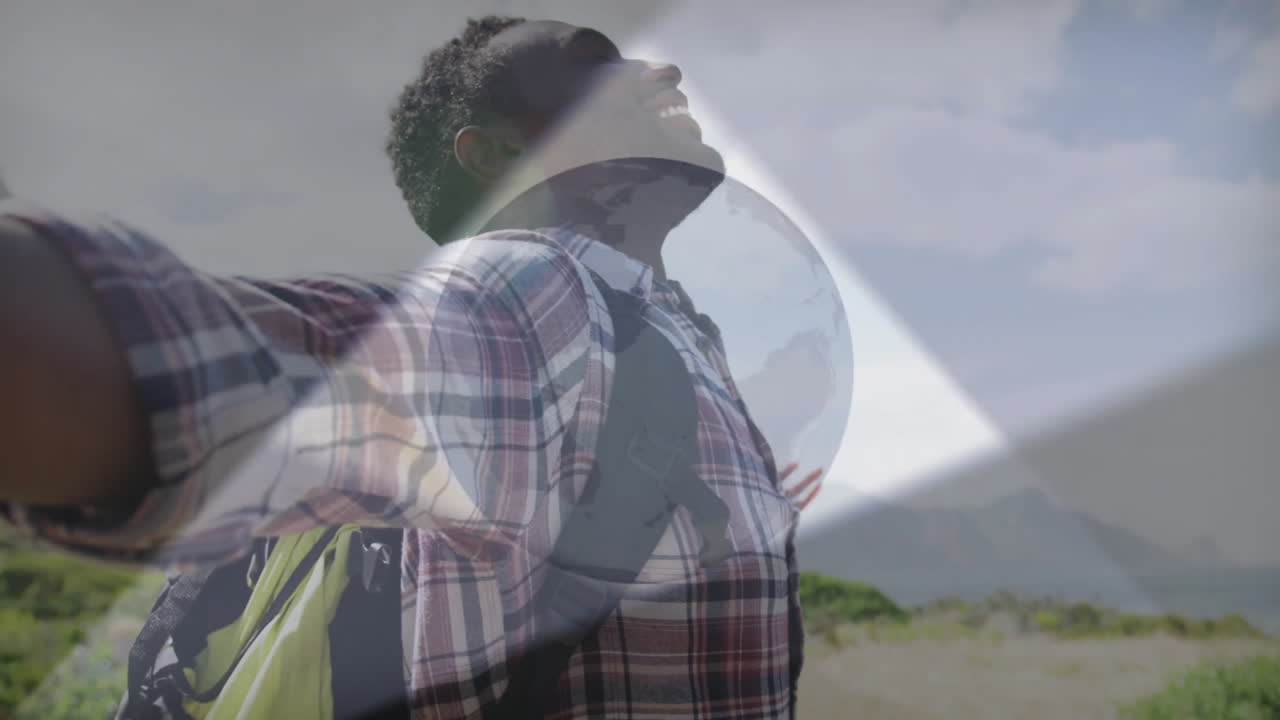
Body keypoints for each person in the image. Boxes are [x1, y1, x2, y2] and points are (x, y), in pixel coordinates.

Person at [0, 15, 823, 719]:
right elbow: (188, 363)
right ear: (498, 152)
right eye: (593, 66)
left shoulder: (653, 326)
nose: (660, 66)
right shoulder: (530, 288)